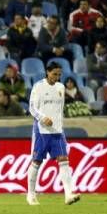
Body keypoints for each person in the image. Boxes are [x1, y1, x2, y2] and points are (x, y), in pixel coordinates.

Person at [27, 62, 81, 206]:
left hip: (57, 131)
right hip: (41, 130)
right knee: (37, 161)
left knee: (64, 159)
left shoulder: (61, 87)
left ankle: (68, 194)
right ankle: (31, 194)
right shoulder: (38, 86)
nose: (56, 77)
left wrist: (59, 124)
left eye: (59, 75)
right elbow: (32, 108)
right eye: (54, 74)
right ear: (47, 72)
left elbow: (59, 109)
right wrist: (43, 118)